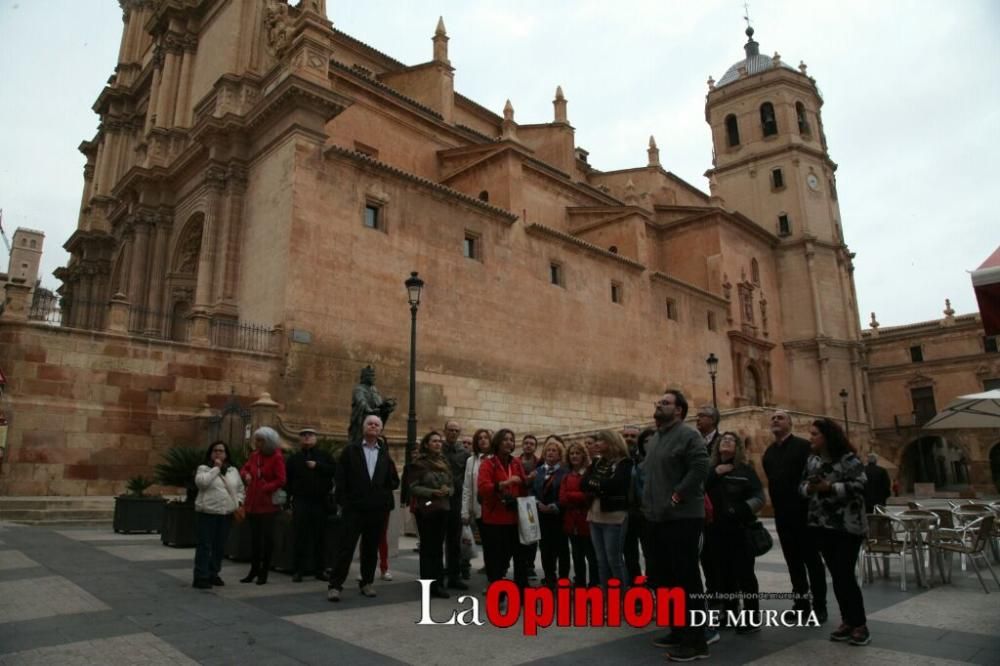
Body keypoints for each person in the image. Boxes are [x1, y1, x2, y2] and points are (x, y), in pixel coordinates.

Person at [644, 389, 711, 662]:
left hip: (682, 517)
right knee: (665, 578)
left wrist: (677, 495)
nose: (660, 405)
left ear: (679, 410)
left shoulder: (689, 435)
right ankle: (678, 629)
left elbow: (700, 467)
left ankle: (697, 641)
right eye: (659, 401)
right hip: (657, 518)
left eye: (666, 402)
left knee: (686, 579)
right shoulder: (656, 438)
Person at [800, 418, 870, 646]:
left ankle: (860, 625)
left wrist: (830, 487)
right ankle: (847, 621)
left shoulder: (848, 460)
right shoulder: (812, 461)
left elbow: (861, 484)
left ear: (827, 437)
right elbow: (800, 487)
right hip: (822, 525)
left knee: (845, 575)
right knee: (838, 576)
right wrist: (809, 488)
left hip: (848, 527)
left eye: (814, 434)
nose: (810, 438)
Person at [762, 410, 827, 623]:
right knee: (793, 562)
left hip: (804, 513)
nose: (775, 420)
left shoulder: (803, 447)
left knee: (812, 561)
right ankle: (800, 605)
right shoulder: (769, 452)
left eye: (780, 418)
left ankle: (819, 606)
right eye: (773, 418)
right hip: (782, 515)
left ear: (790, 423)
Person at [328, 415, 400, 602]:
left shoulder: (384, 453)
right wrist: (343, 501)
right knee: (346, 547)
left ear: (380, 430)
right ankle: (335, 585)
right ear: (363, 427)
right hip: (354, 508)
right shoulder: (351, 450)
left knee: (370, 548)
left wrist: (382, 496)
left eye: (377, 424)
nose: (373, 426)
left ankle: (367, 582)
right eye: (370, 423)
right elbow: (340, 477)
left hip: (376, 510)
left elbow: (392, 479)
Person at [704, 432, 765, 633]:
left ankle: (751, 616)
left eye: (731, 440)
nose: (726, 441)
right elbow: (699, 489)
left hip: (740, 529)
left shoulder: (745, 470)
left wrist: (739, 510)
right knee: (723, 574)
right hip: (715, 530)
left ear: (738, 447)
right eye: (723, 440)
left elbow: (759, 497)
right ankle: (730, 613)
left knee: (745, 575)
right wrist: (716, 473)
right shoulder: (710, 470)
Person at [477, 428, 528, 591]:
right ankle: (497, 590)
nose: (509, 443)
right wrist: (504, 484)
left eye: (511, 440)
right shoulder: (488, 463)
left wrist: (526, 481)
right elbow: (483, 488)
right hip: (495, 518)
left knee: (519, 557)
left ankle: (520, 591)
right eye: (505, 439)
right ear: (497, 442)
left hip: (514, 517)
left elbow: (523, 485)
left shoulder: (516, 462)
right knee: (497, 559)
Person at [583, 430, 632, 588]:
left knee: (614, 561)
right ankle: (606, 598)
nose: (596, 444)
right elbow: (583, 483)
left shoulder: (624, 462)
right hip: (594, 516)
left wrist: (597, 484)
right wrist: (601, 485)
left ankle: (625, 599)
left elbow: (617, 485)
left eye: (601, 440)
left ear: (611, 442)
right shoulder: (597, 462)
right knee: (601, 561)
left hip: (614, 517)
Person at [408, 430, 454, 598]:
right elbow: (413, 487)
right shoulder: (419, 463)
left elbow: (451, 484)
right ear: (427, 444)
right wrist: (432, 492)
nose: (437, 444)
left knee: (438, 547)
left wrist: (447, 490)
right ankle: (428, 583)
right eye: (434, 441)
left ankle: (438, 583)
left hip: (442, 509)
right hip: (426, 510)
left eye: (439, 441)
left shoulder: (444, 462)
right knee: (427, 547)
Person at [193, 441, 244, 589]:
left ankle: (213, 573)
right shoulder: (204, 469)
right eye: (215, 450)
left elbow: (240, 488)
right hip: (207, 512)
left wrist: (239, 501)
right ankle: (201, 576)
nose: (218, 453)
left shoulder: (233, 470)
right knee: (204, 545)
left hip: (226, 514)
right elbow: (202, 483)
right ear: (210, 453)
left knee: (219, 546)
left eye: (221, 451)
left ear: (226, 454)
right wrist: (216, 468)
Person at [286, 427, 335, 582]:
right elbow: (288, 480)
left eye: (310, 435)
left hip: (320, 502)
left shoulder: (324, 456)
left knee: (320, 537)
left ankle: (320, 570)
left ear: (315, 438)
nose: (307, 438)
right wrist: (288, 499)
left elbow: (335, 471)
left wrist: (318, 466)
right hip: (301, 501)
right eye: (304, 435)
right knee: (300, 536)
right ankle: (298, 570)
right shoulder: (294, 459)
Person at [239, 427, 287, 585]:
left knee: (267, 540)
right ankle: (253, 570)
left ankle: (263, 572)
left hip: (267, 505)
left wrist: (265, 488)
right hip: (253, 503)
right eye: (257, 439)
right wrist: (245, 474)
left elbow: (281, 479)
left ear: (269, 442)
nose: (257, 443)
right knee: (255, 539)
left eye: (261, 440)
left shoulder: (276, 457)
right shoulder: (254, 456)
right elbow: (245, 468)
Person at [560, 440, 597, 587]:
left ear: (583, 455)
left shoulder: (590, 473)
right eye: (572, 453)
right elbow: (562, 499)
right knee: (577, 556)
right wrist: (578, 496)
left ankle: (594, 584)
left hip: (587, 520)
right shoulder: (566, 476)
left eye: (577, 453)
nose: (574, 456)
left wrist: (572, 495)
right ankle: (580, 582)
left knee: (591, 556)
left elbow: (590, 496)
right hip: (571, 522)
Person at [695, 405, 723, 605]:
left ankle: (723, 598)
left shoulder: (723, 442)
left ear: (713, 420)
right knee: (705, 556)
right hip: (701, 508)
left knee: (718, 556)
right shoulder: (695, 442)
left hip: (718, 505)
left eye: (702, 416)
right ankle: (712, 593)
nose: (697, 419)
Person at [534, 436, 569, 586]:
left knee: (561, 549)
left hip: (558, 517)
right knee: (545, 548)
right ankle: (549, 577)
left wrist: (554, 507)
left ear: (560, 454)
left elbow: (566, 493)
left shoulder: (565, 472)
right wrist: (537, 504)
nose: (550, 453)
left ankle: (563, 579)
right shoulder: (538, 471)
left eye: (554, 450)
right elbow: (532, 490)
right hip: (541, 516)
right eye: (548, 450)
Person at [442, 420, 470, 590]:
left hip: (456, 501)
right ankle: (436, 576)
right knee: (437, 539)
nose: (453, 433)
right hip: (439, 499)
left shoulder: (464, 453)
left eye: (456, 430)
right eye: (450, 430)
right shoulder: (437, 450)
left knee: (454, 540)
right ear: (445, 431)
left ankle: (454, 575)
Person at [624, 427, 654, 582]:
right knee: (629, 553)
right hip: (627, 512)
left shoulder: (647, 459)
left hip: (645, 512)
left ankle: (651, 583)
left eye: (633, 436)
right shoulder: (621, 458)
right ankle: (636, 586)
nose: (629, 438)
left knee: (649, 552)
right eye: (626, 435)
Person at [461, 428, 492, 572]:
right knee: (484, 540)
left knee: (494, 541)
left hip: (493, 508)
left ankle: (495, 569)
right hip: (477, 508)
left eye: (486, 437)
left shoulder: (495, 458)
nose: (483, 440)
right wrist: (465, 511)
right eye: (480, 438)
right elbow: (467, 487)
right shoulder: (471, 461)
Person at [348, 366, 397, 445]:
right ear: (365, 377)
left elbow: (379, 404)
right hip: (362, 423)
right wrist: (369, 410)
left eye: (374, 376)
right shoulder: (359, 389)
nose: (374, 378)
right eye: (371, 376)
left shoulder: (374, 390)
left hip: (373, 421)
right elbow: (361, 402)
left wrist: (387, 406)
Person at [518, 434, 541, 579]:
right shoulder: (515, 462)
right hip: (517, 501)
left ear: (535, 447)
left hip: (532, 504)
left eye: (531, 444)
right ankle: (520, 564)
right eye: (526, 443)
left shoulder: (539, 463)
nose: (528, 445)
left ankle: (530, 566)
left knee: (532, 536)